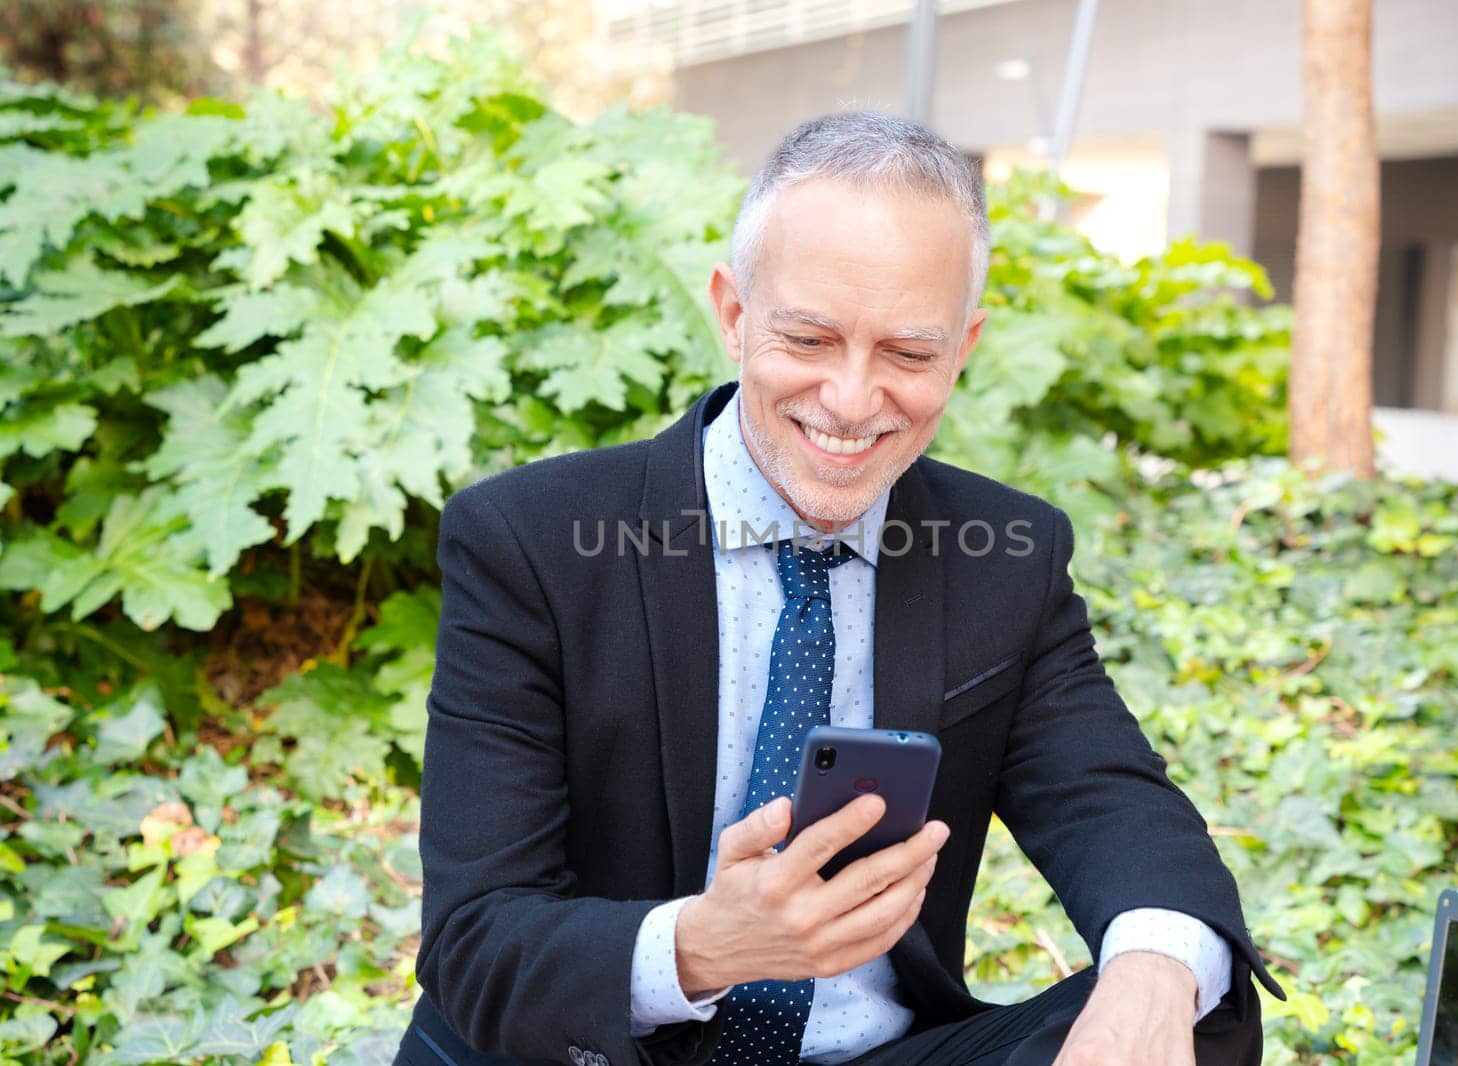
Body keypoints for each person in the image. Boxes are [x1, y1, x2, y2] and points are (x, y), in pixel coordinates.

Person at [394, 110, 1284, 1066]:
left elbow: (1114, 803)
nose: (854, 401)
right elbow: (474, 940)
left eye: (908, 354)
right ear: (734, 315)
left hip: (873, 1053)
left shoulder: (1008, 554)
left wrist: (1150, 980)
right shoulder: (531, 541)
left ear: (964, 347)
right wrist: (704, 945)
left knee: (1193, 998)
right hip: (609, 1051)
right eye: (810, 340)